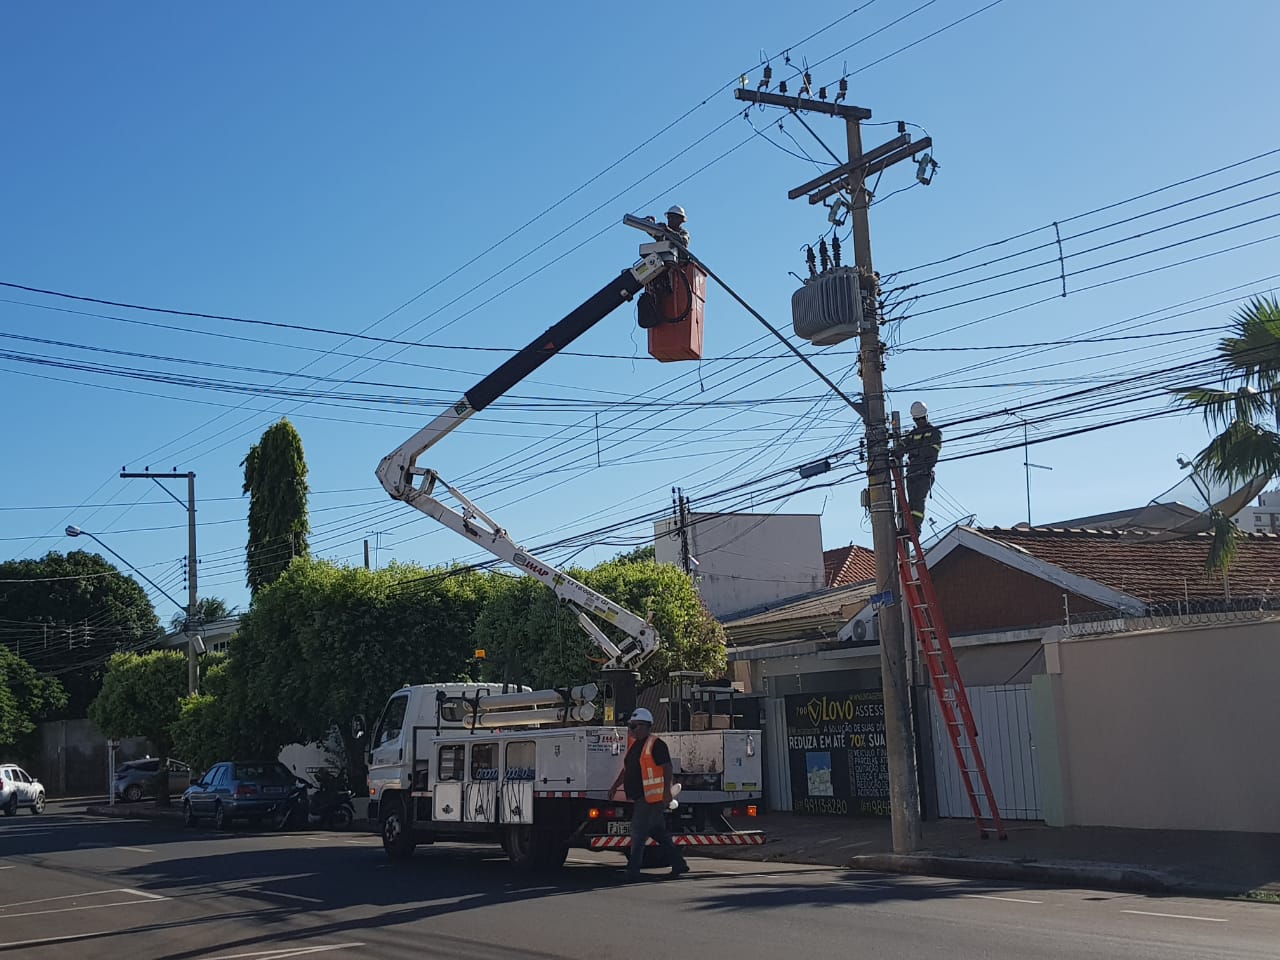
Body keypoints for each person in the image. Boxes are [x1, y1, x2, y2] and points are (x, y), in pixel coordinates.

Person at [608, 707, 690, 880]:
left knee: (638, 833)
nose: (631, 730)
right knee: (658, 832)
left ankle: (633, 870)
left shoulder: (656, 744)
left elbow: (667, 767)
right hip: (643, 797)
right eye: (631, 726)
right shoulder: (636, 745)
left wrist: (667, 791)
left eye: (635, 726)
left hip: (650, 798)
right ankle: (679, 863)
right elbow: (628, 768)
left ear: (646, 726)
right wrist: (615, 785)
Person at [900, 400, 942, 535]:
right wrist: (896, 451)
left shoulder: (935, 433)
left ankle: (915, 530)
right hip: (911, 473)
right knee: (910, 503)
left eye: (921, 419)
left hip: (924, 473)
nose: (920, 422)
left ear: (926, 417)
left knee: (917, 503)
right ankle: (908, 528)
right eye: (917, 420)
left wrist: (922, 460)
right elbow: (902, 445)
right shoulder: (912, 434)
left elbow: (932, 453)